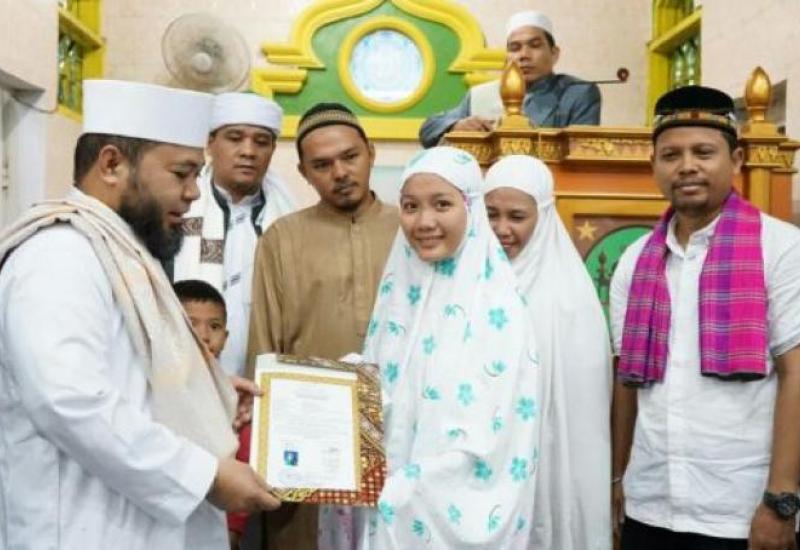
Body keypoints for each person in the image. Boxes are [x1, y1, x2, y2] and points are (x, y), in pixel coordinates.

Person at [0, 80, 280, 550]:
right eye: (182, 173)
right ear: (112, 164)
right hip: (83, 526)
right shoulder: (59, 254)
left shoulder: (123, 250)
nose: (194, 193)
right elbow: (70, 400)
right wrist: (205, 476)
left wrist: (199, 387)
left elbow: (122, 367)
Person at [319, 146, 543, 549]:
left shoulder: (499, 308)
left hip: (436, 514)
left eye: (442, 204)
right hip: (385, 502)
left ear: (471, 210)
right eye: (410, 206)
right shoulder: (399, 292)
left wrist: (406, 488)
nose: (424, 222)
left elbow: (494, 441)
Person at [610, 85, 800, 550]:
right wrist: (618, 480)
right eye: (670, 154)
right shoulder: (635, 260)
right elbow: (626, 382)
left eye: (704, 152)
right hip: (650, 503)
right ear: (653, 165)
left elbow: (796, 374)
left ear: (735, 160)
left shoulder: (780, 249)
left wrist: (781, 501)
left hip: (740, 509)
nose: (687, 166)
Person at [247, 102, 399, 549]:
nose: (340, 172)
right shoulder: (283, 237)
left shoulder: (409, 228)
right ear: (305, 173)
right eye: (322, 165)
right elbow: (264, 345)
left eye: (350, 157)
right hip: (308, 432)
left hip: (399, 427)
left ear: (370, 153)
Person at [484, 155, 612, 550]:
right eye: (491, 214)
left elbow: (582, 418)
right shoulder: (469, 280)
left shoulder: (569, 298)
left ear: (542, 216)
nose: (501, 229)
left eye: (517, 216)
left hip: (549, 459)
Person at [173, 92, 296, 377]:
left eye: (261, 142)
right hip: (182, 377)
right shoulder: (176, 210)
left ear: (273, 149)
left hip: (264, 379)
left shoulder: (289, 222)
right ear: (210, 143)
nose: (248, 151)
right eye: (235, 138)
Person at [419, 10, 601, 148]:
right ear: (507, 59)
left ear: (554, 54)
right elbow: (428, 131)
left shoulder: (578, 92)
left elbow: (581, 151)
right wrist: (456, 125)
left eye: (535, 46)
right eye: (515, 48)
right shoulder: (481, 94)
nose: (524, 55)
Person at [174, 279, 253, 550]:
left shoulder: (236, 400)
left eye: (215, 326)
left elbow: (243, 466)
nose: (204, 335)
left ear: (226, 338)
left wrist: (233, 531)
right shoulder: (151, 392)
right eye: (190, 324)